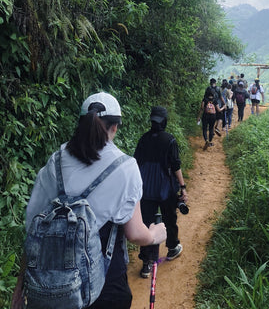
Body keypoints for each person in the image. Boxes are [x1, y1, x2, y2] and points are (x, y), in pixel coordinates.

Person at [11, 92, 167, 309]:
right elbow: (135, 233)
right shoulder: (126, 167)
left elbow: (33, 229)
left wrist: (21, 287)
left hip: (51, 286)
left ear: (81, 123)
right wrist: (155, 234)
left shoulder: (56, 161)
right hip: (103, 285)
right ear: (115, 127)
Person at [134, 106, 188, 279]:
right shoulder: (169, 140)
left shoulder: (143, 140)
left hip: (145, 189)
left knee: (147, 222)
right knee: (169, 218)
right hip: (166, 189)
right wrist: (183, 187)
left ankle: (146, 263)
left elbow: (135, 164)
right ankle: (172, 247)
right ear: (164, 121)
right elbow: (176, 166)